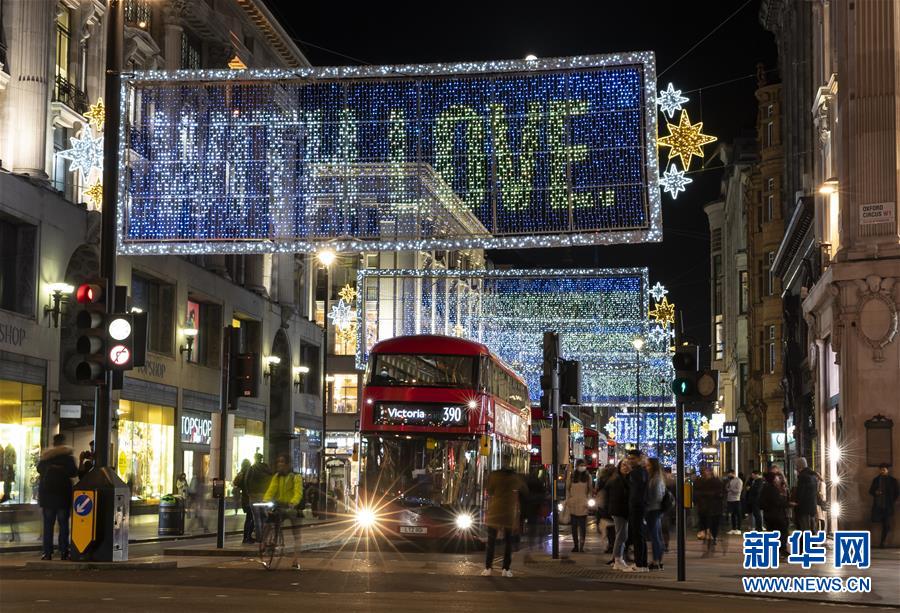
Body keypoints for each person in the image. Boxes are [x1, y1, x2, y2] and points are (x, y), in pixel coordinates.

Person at [37, 433, 78, 560]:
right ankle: (64, 551)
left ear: (54, 443)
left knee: (48, 526)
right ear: (64, 443)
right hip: (63, 496)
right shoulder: (68, 457)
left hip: (48, 497)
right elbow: (74, 473)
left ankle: (47, 553)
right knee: (64, 525)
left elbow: (39, 470)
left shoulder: (46, 457)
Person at [481, 461, 524, 577]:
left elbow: (489, 492)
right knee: (508, 543)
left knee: (491, 542)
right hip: (509, 513)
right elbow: (522, 493)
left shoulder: (494, 476)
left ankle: (488, 567)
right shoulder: (515, 478)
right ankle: (506, 569)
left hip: (495, 512)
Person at [263, 453, 304, 569]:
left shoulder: (296, 476)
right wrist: (266, 500)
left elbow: (298, 492)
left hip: (293, 507)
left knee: (297, 534)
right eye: (278, 462)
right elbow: (271, 490)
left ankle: (295, 560)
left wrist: (293, 502)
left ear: (288, 464)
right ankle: (264, 543)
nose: (280, 464)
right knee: (269, 521)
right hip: (280, 505)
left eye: (282, 462)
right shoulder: (277, 476)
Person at [625, 450, 649, 572]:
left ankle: (639, 564)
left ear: (639, 459)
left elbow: (635, 493)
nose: (630, 461)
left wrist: (633, 506)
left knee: (637, 536)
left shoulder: (636, 473)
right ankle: (643, 564)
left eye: (633, 458)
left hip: (637, 508)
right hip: (642, 507)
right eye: (629, 458)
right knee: (641, 536)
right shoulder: (643, 471)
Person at [607, 460, 631, 570]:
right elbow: (619, 497)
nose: (626, 467)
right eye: (624, 465)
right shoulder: (617, 480)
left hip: (620, 511)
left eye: (628, 465)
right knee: (621, 535)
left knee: (622, 535)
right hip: (619, 511)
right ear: (619, 467)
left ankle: (617, 559)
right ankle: (617, 559)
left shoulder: (623, 479)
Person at [693, 466, 724, 552]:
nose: (706, 473)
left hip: (714, 508)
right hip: (704, 508)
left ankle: (712, 538)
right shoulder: (699, 481)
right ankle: (708, 538)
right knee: (704, 524)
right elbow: (695, 493)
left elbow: (721, 493)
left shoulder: (716, 481)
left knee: (713, 525)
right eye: (704, 471)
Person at [760, 469, 790, 556]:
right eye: (777, 478)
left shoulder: (765, 488)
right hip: (776, 515)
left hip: (769, 515)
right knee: (782, 532)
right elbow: (778, 502)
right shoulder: (772, 489)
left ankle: (776, 551)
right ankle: (781, 550)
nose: (778, 479)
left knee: (774, 533)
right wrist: (788, 504)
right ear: (773, 479)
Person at [869, 463, 899, 548]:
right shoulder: (876, 480)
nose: (882, 471)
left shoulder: (892, 480)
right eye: (881, 469)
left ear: (887, 470)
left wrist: (892, 501)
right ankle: (881, 542)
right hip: (878, 506)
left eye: (884, 469)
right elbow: (870, 491)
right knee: (877, 523)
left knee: (886, 525)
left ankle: (882, 542)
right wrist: (876, 492)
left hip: (887, 506)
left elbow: (896, 492)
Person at [645, 457, 667, 570]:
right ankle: (658, 560)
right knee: (657, 536)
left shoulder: (656, 479)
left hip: (653, 509)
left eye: (648, 465)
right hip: (654, 509)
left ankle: (656, 561)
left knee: (655, 537)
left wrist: (647, 501)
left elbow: (657, 496)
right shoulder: (656, 477)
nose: (646, 467)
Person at [245, 453, 273, 539]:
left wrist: (248, 492)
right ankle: (264, 535)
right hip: (264, 496)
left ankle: (259, 537)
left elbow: (246, 481)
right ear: (261, 459)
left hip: (253, 496)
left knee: (256, 518)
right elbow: (271, 480)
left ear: (255, 458)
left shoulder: (251, 468)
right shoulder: (267, 469)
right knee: (265, 516)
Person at [567, 459, 591, 553]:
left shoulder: (587, 476)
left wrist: (588, 500)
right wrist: (569, 500)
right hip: (573, 503)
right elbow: (567, 489)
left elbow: (590, 489)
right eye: (580, 465)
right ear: (576, 466)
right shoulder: (572, 476)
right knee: (573, 526)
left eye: (583, 465)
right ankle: (576, 545)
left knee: (582, 527)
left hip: (583, 503)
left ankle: (582, 546)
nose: (582, 467)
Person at [793, 457, 820, 532]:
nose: (796, 468)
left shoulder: (803, 477)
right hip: (812, 507)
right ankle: (813, 543)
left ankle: (807, 543)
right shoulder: (813, 476)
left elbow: (800, 494)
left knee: (805, 529)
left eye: (797, 466)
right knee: (812, 529)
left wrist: (796, 505)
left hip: (804, 509)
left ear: (800, 466)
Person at [594, 464, 617, 553]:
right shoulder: (614, 479)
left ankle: (610, 545)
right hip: (609, 505)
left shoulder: (602, 480)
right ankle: (611, 545)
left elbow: (597, 490)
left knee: (606, 527)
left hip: (603, 505)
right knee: (612, 528)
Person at [522, 474, 546, 548]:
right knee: (540, 525)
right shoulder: (540, 484)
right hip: (538, 506)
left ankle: (531, 543)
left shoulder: (528, 484)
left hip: (530, 507)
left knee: (532, 526)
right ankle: (540, 542)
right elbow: (543, 494)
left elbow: (525, 496)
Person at [232, 459, 253, 544]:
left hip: (244, 498)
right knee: (252, 518)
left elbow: (236, 483)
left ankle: (247, 537)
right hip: (249, 498)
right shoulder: (249, 474)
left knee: (249, 518)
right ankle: (247, 537)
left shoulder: (241, 474)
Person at [725, 469, 744, 534]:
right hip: (729, 499)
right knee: (732, 514)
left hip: (736, 499)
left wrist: (730, 489)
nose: (728, 475)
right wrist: (728, 488)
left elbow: (738, 490)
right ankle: (733, 528)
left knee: (738, 514)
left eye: (729, 474)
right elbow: (727, 488)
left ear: (733, 473)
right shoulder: (730, 480)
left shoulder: (739, 480)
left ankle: (738, 529)